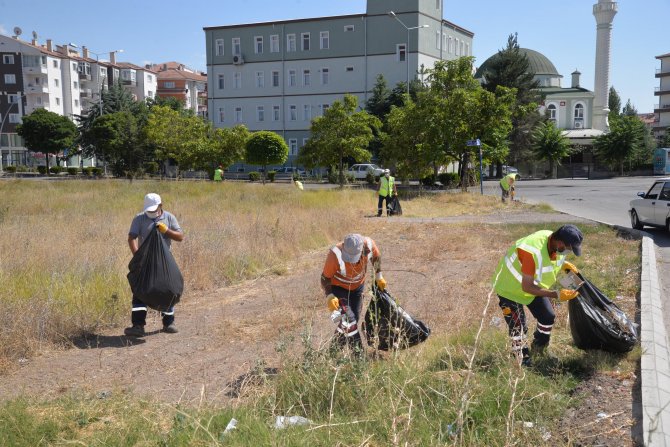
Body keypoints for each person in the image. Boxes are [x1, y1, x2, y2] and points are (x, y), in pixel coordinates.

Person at [493, 224, 584, 366]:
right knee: (518, 326)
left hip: (532, 287)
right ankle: (521, 359)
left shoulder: (554, 243)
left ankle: (539, 348)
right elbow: (527, 286)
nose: (569, 251)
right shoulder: (531, 251)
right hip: (509, 289)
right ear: (559, 241)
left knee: (548, 316)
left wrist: (564, 264)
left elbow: (548, 262)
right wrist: (557, 294)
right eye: (568, 248)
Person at [125, 193, 185, 337]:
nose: (151, 213)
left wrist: (166, 231)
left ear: (160, 206)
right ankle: (138, 326)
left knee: (167, 290)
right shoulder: (139, 218)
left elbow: (180, 237)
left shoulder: (169, 217)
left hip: (165, 263)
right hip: (144, 263)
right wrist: (138, 256)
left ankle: (168, 323)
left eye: (154, 210)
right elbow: (131, 237)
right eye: (149, 210)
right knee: (140, 292)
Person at [321, 233, 386, 352]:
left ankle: (333, 352)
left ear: (363, 250)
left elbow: (376, 257)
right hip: (338, 288)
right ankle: (359, 357)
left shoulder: (369, 245)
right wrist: (330, 296)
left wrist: (379, 276)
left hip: (357, 288)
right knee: (349, 320)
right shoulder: (335, 254)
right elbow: (325, 278)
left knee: (352, 321)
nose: (351, 262)